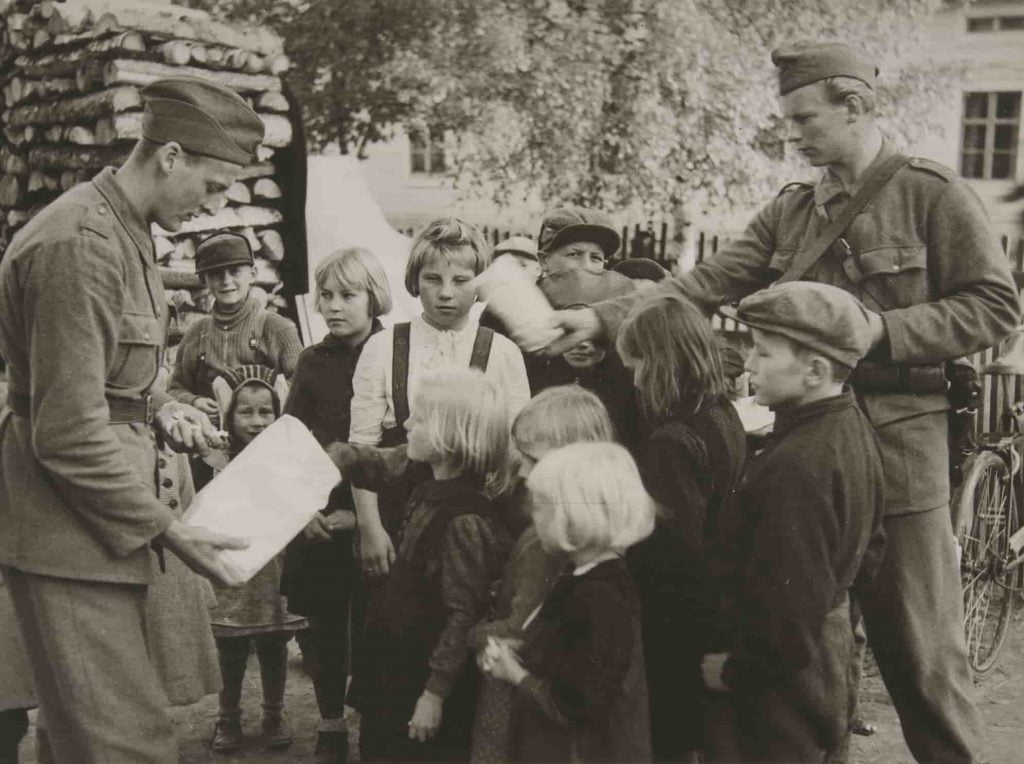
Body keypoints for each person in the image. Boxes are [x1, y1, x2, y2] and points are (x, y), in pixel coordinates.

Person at [543, 41, 1020, 763]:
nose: (790, 136)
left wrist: (881, 331)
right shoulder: (796, 209)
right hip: (802, 444)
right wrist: (604, 318)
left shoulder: (932, 194)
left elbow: (995, 307)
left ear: (854, 105)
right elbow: (704, 281)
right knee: (816, 655)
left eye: (803, 119)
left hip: (898, 453)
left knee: (923, 661)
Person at [0, 77, 258, 762]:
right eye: (211, 186)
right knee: (127, 746)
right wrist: (171, 531)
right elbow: (66, 427)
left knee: (81, 740)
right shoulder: (81, 243)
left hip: (95, 528)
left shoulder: (125, 229)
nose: (214, 206)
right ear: (170, 155)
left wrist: (164, 406)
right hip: (69, 535)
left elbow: (113, 381)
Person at [700, 282, 885, 761]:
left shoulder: (797, 465)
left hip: (776, 688)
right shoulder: (848, 426)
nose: (748, 365)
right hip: (826, 654)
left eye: (762, 353)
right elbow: (873, 550)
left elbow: (787, 609)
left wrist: (735, 671)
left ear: (815, 370)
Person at [334, 368, 514, 762]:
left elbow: (463, 615)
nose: (407, 423)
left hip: (423, 679)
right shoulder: (426, 486)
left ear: (450, 436)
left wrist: (434, 694)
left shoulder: (465, 518)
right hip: (396, 665)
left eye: (420, 417)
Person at [349, 217, 530, 577]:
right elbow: (362, 447)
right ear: (415, 282)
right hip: (397, 515)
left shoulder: (503, 352)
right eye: (433, 279)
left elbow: (518, 446)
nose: (446, 292)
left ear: (478, 286)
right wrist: (370, 528)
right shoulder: (384, 346)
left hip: (475, 521)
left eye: (461, 281)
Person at [615, 292, 747, 763]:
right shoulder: (721, 413)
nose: (632, 378)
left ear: (659, 363)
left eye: (636, 366)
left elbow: (672, 548)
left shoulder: (669, 442)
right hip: (717, 601)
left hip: (676, 618)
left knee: (670, 738)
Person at [281, 246, 392, 761]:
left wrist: (370, 515)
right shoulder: (312, 361)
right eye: (326, 295)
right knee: (323, 624)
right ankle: (330, 724)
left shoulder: (396, 352)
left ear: (375, 297)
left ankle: (376, 719)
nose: (334, 305)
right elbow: (291, 440)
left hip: (381, 513)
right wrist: (305, 509)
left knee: (379, 622)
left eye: (348, 295)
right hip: (321, 512)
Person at [469, 385, 616, 762]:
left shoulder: (550, 539)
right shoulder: (595, 527)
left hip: (533, 704)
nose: (522, 471)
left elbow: (525, 627)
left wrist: (476, 634)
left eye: (533, 458)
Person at [482, 442, 654, 763]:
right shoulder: (584, 579)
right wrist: (523, 650)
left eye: (542, 506)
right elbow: (572, 655)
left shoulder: (599, 597)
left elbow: (574, 703)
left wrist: (515, 675)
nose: (533, 515)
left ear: (576, 515)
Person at [206, 365, 307, 753]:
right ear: (229, 415)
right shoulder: (214, 458)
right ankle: (227, 716)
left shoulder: (287, 458)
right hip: (232, 566)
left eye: (266, 412)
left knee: (273, 643)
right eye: (245, 412)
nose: (257, 421)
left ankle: (273, 713)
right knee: (230, 645)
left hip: (273, 568)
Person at [536, 268, 641, 450]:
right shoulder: (540, 374)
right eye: (570, 331)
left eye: (597, 335)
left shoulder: (631, 384)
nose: (583, 344)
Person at [536, 206, 621, 277]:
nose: (586, 266)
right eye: (574, 254)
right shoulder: (528, 295)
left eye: (596, 258)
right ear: (544, 261)